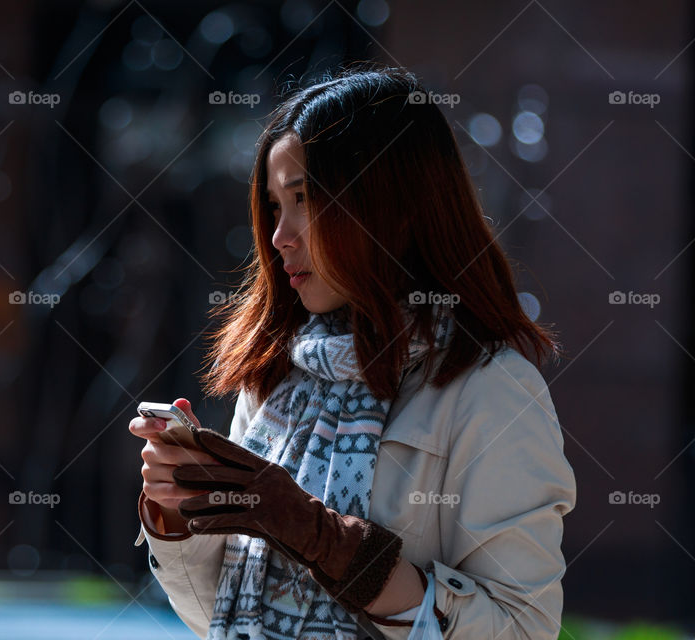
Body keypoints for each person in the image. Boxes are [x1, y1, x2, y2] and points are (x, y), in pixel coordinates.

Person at [129, 63, 576, 640]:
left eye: (305, 200)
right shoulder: (275, 374)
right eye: (273, 206)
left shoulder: (491, 391)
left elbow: (523, 629)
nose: (278, 236)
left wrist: (335, 547)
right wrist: (179, 511)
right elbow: (220, 615)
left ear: (390, 206)